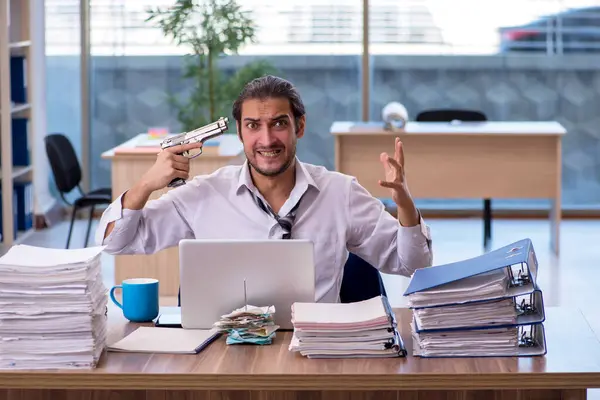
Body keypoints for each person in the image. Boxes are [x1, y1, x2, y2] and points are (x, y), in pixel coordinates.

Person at [95, 75, 432, 303]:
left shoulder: (341, 193)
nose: (267, 139)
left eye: (279, 124)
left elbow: (413, 263)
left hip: (317, 353)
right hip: (224, 356)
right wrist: (146, 184)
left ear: (299, 126)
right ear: (240, 134)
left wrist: (404, 204)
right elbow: (114, 242)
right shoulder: (203, 195)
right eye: (253, 126)